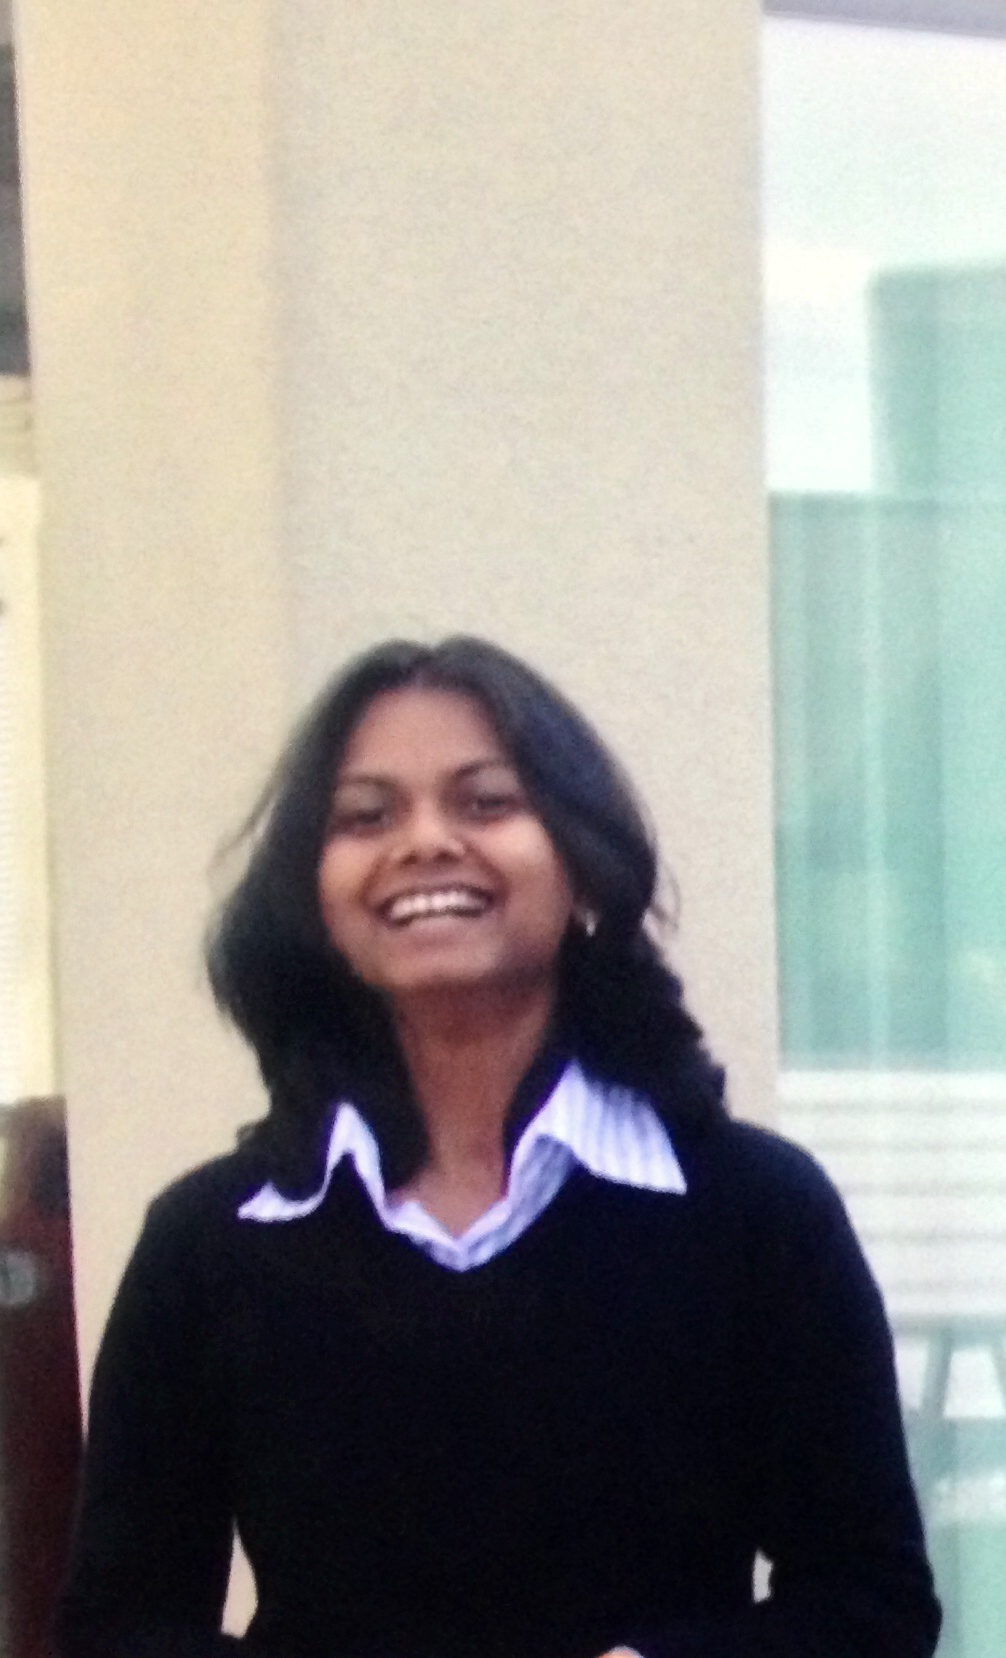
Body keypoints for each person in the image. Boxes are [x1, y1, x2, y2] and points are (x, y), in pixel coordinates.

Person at [58, 636, 941, 1658]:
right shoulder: (208, 1243)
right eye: (366, 816)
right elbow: (119, 1625)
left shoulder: (755, 1211)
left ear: (584, 869)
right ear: (315, 897)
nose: (424, 842)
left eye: (485, 802)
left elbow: (870, 1603)